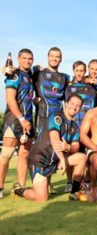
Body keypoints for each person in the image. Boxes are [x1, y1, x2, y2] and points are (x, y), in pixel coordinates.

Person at [12, 94, 87, 201]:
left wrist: (68, 147)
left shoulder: (75, 126)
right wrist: (62, 159)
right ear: (66, 103)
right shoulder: (56, 116)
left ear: (80, 109)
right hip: (39, 160)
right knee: (42, 198)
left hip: (54, 162)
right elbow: (54, 138)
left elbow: (76, 146)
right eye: (72, 103)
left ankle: (75, 192)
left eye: (78, 105)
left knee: (82, 157)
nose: (74, 107)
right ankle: (19, 189)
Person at [0, 49, 34, 198]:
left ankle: (21, 186)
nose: (27, 61)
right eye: (24, 58)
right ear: (18, 59)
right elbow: (10, 99)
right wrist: (21, 119)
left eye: (30, 58)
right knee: (6, 155)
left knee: (24, 154)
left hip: (28, 120)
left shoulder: (32, 75)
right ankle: (0, 188)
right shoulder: (14, 74)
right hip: (14, 119)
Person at [64, 60, 97, 193]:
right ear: (73, 71)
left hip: (87, 128)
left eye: (82, 70)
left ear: (85, 72)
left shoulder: (92, 88)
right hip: (71, 126)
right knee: (71, 153)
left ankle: (85, 182)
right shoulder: (68, 87)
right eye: (77, 70)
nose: (79, 73)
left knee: (87, 157)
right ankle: (69, 182)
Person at [33, 47, 70, 136]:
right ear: (48, 57)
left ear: (61, 59)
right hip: (41, 120)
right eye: (52, 56)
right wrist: (5, 69)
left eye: (57, 57)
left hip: (58, 119)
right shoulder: (38, 72)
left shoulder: (65, 77)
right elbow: (21, 71)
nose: (54, 58)